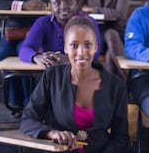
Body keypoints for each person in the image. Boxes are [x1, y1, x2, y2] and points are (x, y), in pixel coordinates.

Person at [20, 16, 129, 152]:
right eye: (74, 45)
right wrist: (51, 133)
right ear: (65, 48)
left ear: (96, 47)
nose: (81, 52)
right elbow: (27, 120)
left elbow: (121, 138)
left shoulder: (116, 86)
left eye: (88, 45)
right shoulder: (52, 77)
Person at [19, 0, 102, 67]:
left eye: (69, 2)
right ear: (50, 5)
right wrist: (37, 57)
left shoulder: (88, 22)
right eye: (57, 3)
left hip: (82, 70)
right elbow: (25, 49)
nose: (63, 7)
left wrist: (67, 58)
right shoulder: (43, 22)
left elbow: (95, 53)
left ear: (77, 3)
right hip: (52, 71)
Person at [78, 0, 130, 80]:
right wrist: (107, 13)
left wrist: (94, 9)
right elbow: (78, 10)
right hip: (94, 31)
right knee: (109, 53)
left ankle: (112, 88)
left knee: (111, 36)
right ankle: (125, 82)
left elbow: (120, 13)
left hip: (117, 30)